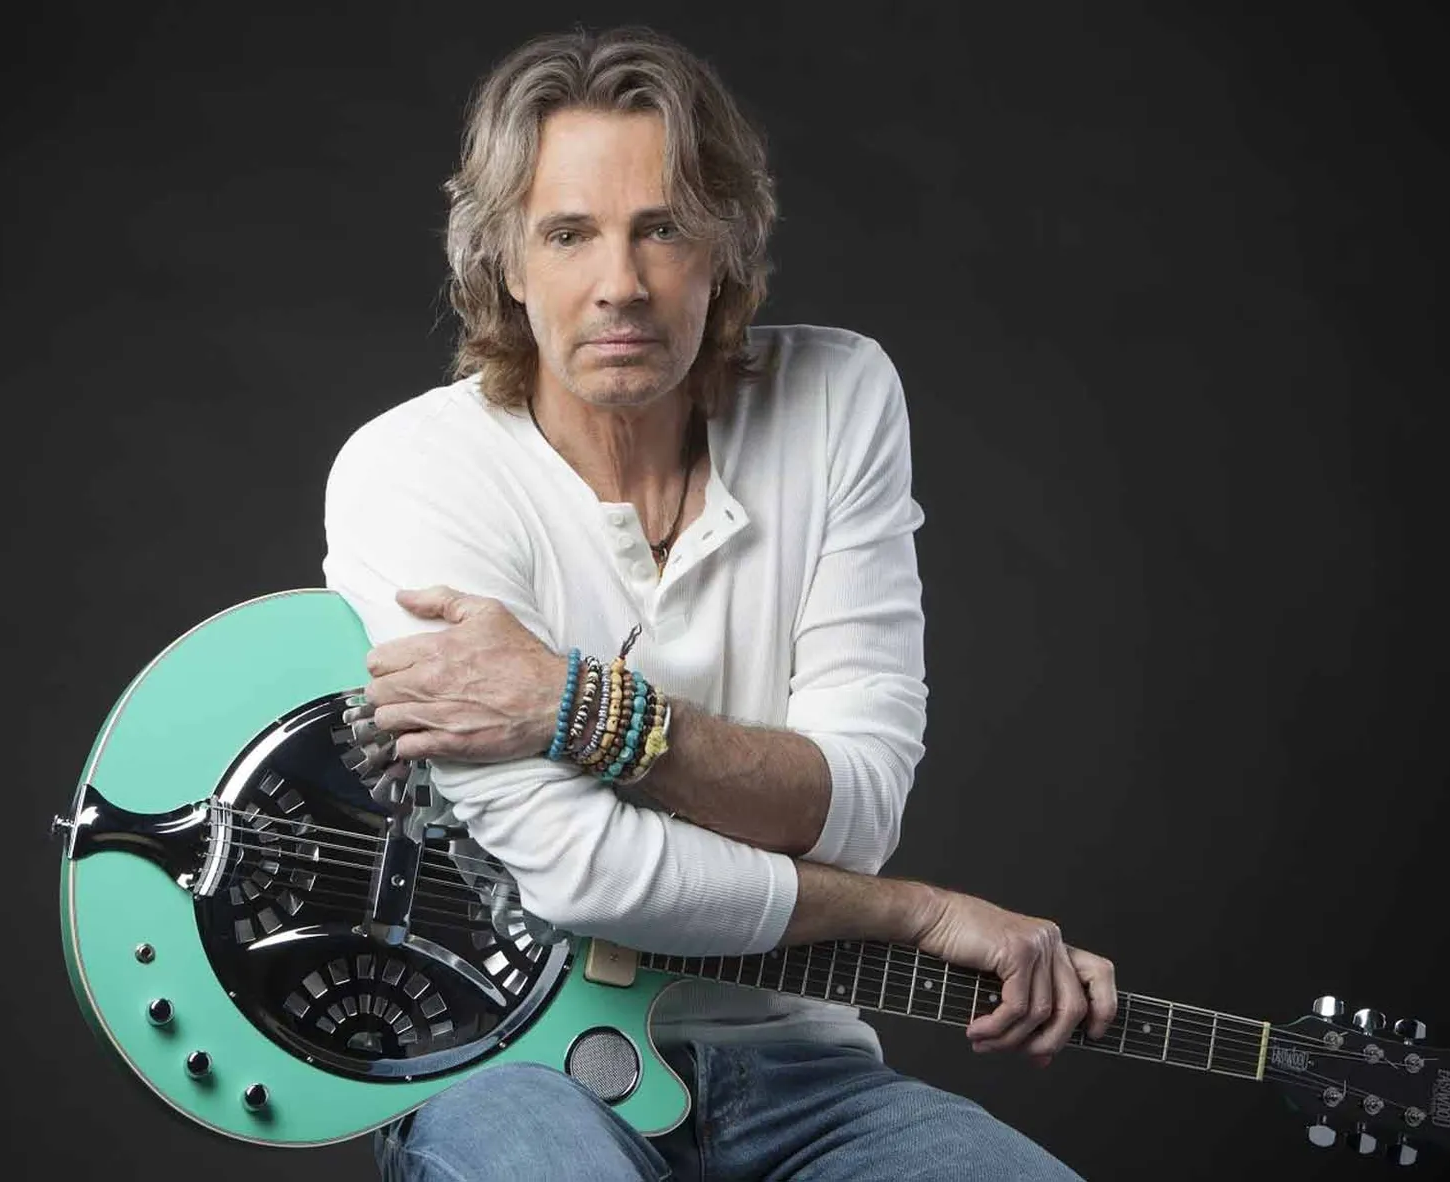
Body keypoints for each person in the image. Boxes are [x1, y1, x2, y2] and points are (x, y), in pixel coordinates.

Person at [320, 24, 1116, 1181]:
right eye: (570, 234)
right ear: (503, 260)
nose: (622, 285)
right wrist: (920, 916)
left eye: (665, 230)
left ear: (728, 248)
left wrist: (569, 706)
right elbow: (584, 874)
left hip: (803, 1073)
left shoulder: (838, 400)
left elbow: (853, 806)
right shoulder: (413, 472)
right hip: (517, 1067)